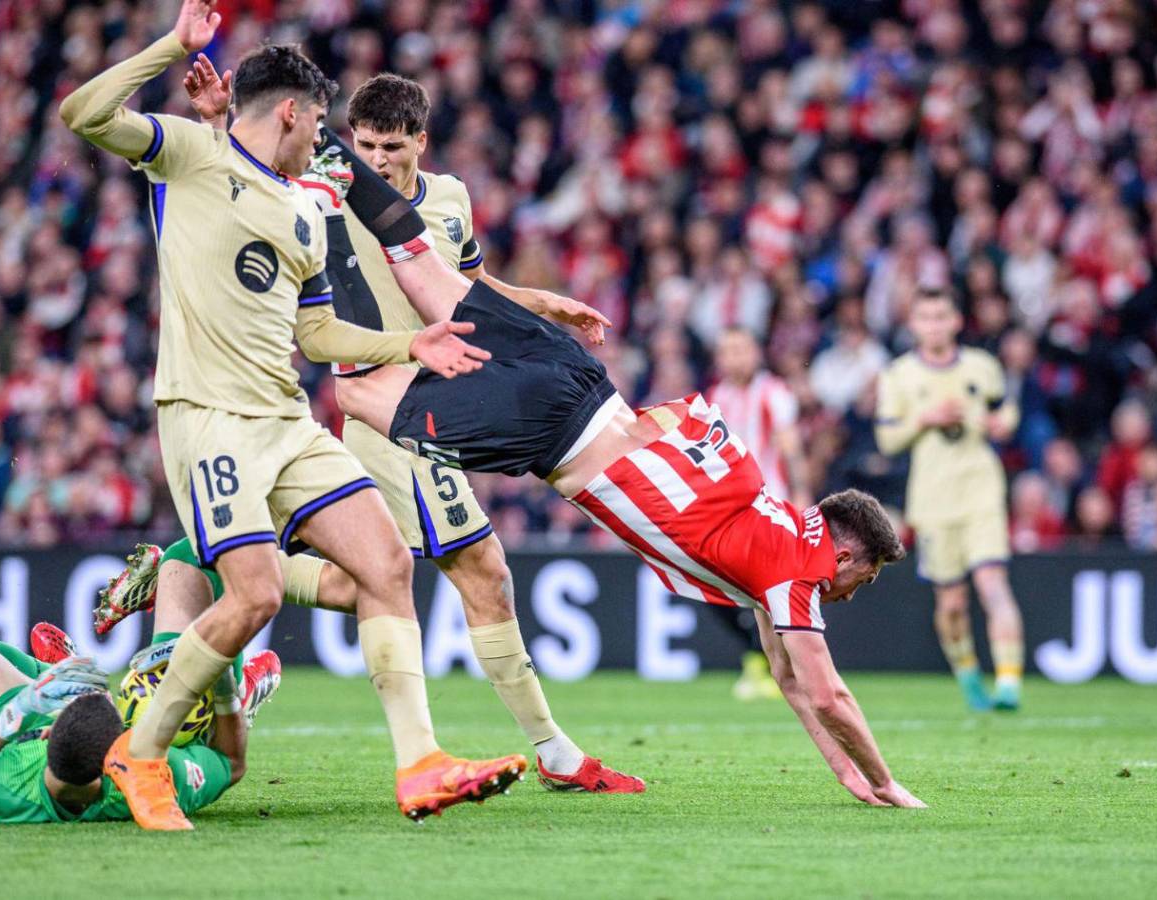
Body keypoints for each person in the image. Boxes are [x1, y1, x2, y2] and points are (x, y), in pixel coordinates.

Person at [295, 138, 926, 807]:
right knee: (357, 392)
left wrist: (847, 775)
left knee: (428, 270)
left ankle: (328, 151)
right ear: (846, 549)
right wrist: (889, 781)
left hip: (582, 377)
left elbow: (790, 680)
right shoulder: (795, 575)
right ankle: (322, 208)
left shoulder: (769, 517)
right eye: (864, 576)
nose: (854, 592)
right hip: (548, 431)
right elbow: (827, 691)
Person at [59, 0, 522, 830]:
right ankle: (143, 751)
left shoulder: (305, 209)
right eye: (320, 126)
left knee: (385, 565)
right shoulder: (191, 153)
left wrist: (405, 348)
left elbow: (313, 332)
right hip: (208, 417)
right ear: (291, 113)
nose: (326, 144)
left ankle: (419, 764)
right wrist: (172, 46)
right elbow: (82, 113)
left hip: (285, 418)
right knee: (255, 596)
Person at [182, 61, 640, 793]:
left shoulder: (450, 199)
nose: (374, 161)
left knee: (353, 580)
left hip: (442, 404)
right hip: (386, 408)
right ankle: (551, 754)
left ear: (420, 142)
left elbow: (466, 286)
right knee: (481, 570)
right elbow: (242, 172)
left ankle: (206, 565)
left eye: (390, 147)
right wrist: (213, 119)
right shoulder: (321, 193)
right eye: (362, 145)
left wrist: (542, 305)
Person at [875, 287, 1026, 711]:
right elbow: (887, 439)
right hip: (933, 498)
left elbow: (1006, 411)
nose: (935, 325)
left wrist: (1000, 424)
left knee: (992, 584)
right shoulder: (899, 375)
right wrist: (924, 418)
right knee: (952, 602)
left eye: (942, 316)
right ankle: (968, 675)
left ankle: (1009, 684)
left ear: (956, 321)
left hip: (981, 488)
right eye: (926, 318)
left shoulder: (982, 366)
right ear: (914, 325)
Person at [0, 615, 275, 823]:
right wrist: (226, 692)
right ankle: (241, 692)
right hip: (191, 721)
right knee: (214, 645)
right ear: (118, 754)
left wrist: (19, 710)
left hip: (25, 733)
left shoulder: (2, 780)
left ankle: (60, 673)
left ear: (48, 734)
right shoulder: (154, 773)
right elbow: (230, 763)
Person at [706, 327, 810, 701]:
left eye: (740, 349)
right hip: (728, 510)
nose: (734, 357)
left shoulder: (773, 392)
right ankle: (761, 660)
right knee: (715, 589)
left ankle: (769, 667)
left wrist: (800, 498)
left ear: (755, 353)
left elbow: (791, 448)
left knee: (770, 593)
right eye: (726, 350)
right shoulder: (717, 397)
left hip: (771, 506)